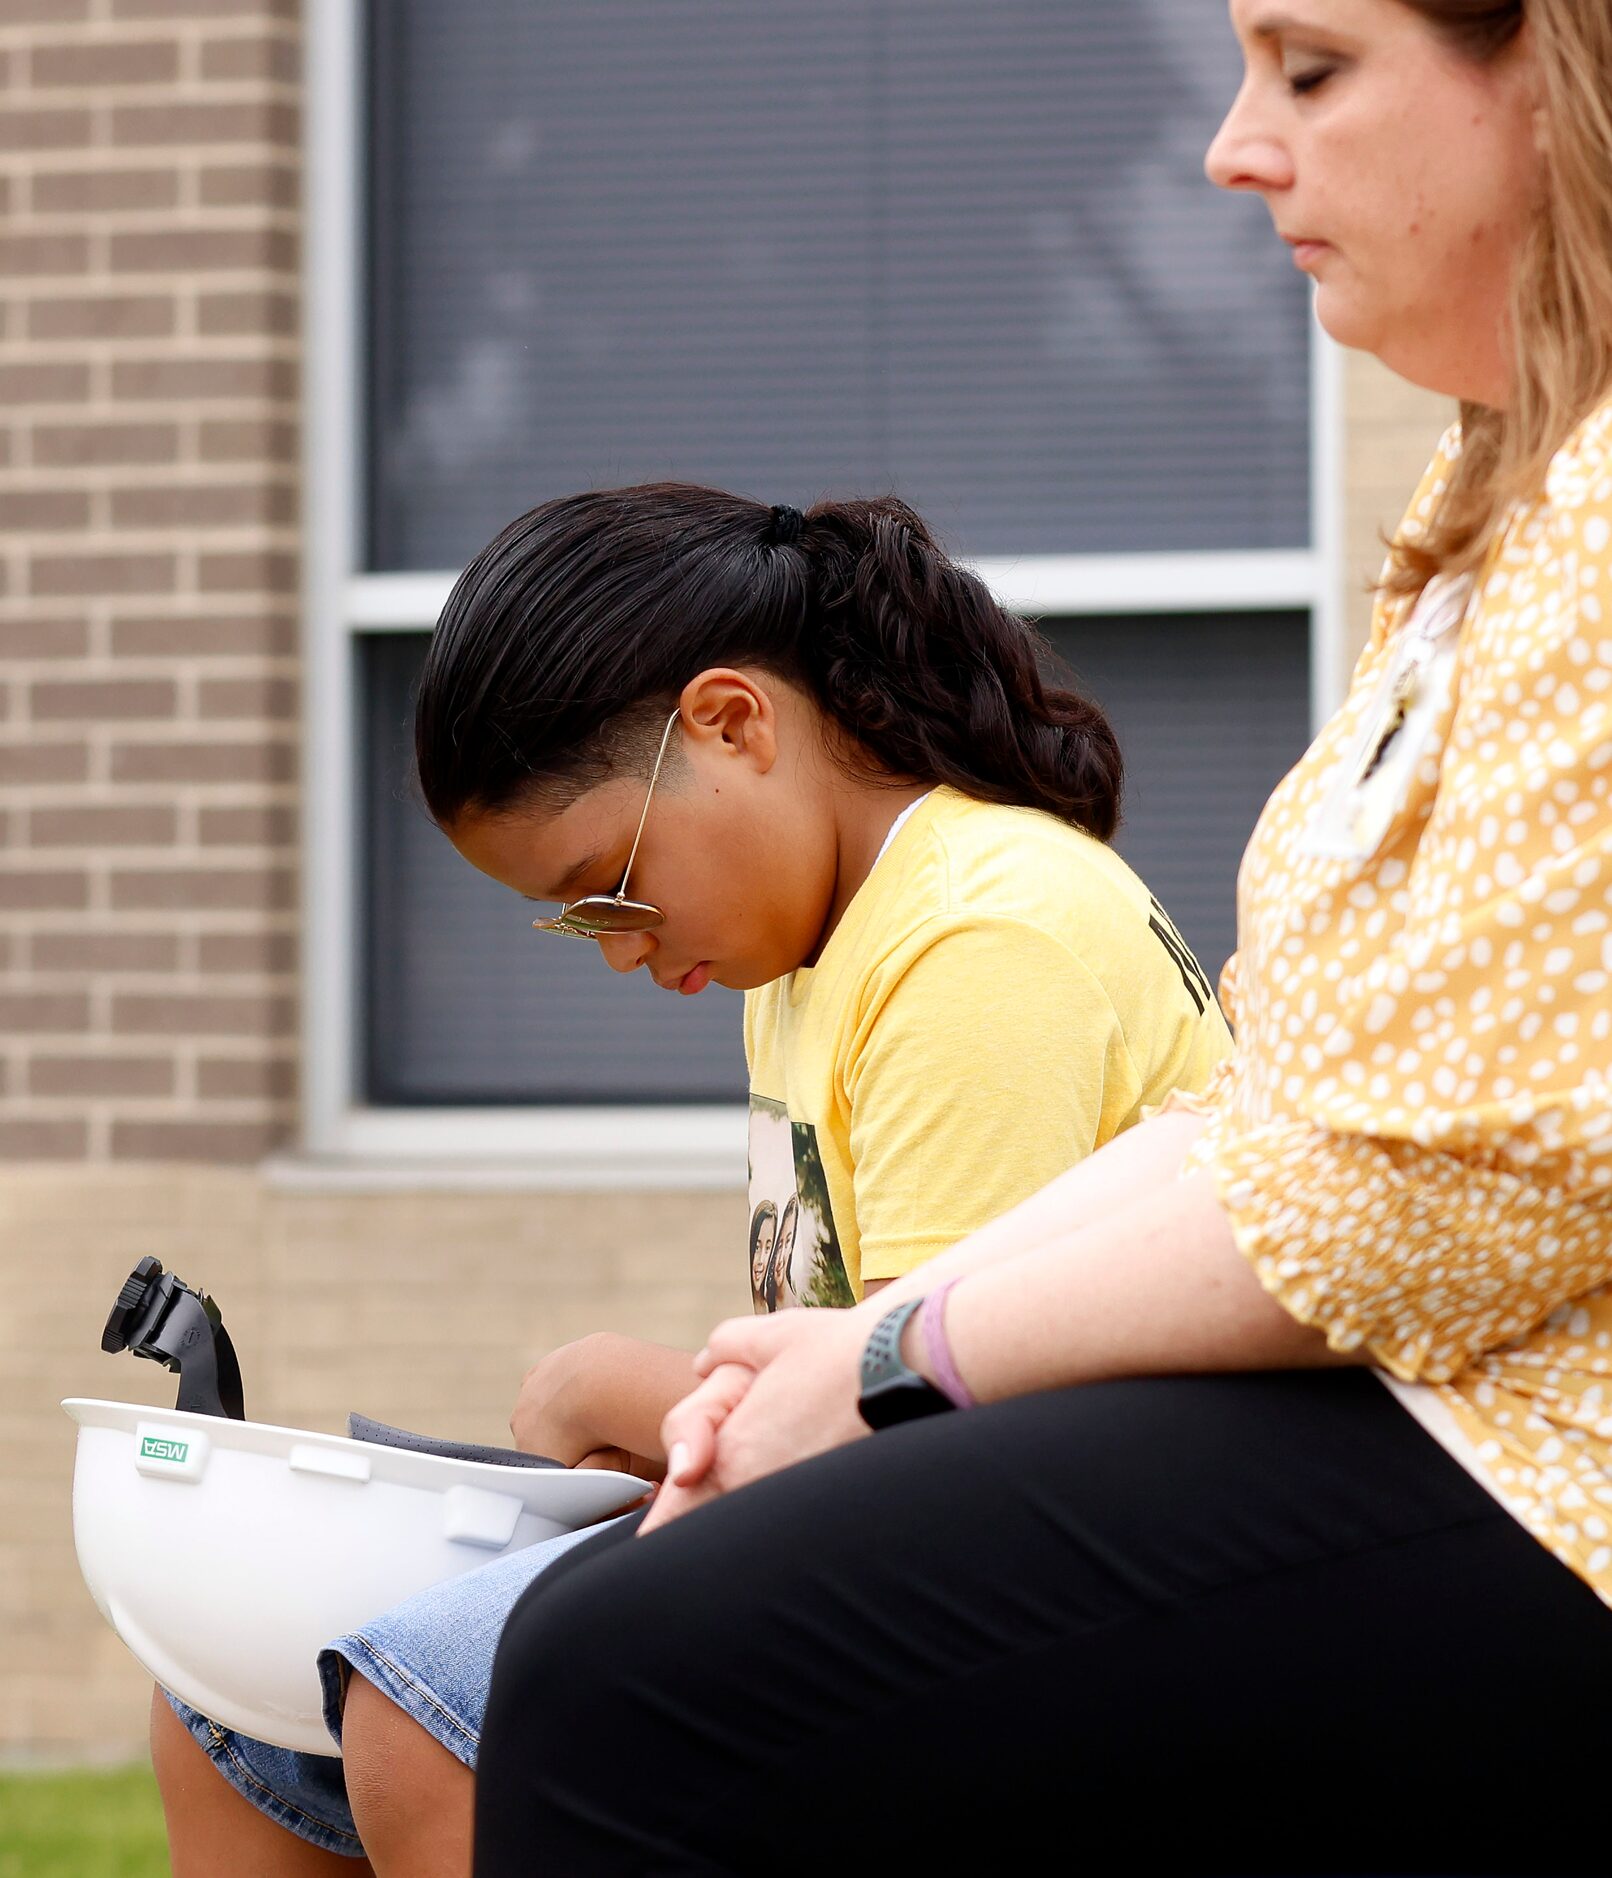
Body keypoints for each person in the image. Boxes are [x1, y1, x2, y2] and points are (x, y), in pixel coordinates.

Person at [474, 3, 1612, 1872]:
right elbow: (1285, 1115)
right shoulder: (1490, 502)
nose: (1237, 147)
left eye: (1311, 70)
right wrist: (857, 1346)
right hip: (1436, 1405)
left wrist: (891, 1360)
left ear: (1558, 79)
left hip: (1549, 1459)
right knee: (565, 1655)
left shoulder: (978, 930)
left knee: (624, 1676)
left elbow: (1411, 1204)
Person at [149, 484, 1231, 1875]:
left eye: (612, 886)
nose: (615, 948)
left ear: (733, 722)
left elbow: (931, 1448)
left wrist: (621, 1388)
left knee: (429, 1709)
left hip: (1078, 1596)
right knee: (222, 1698)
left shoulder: (978, 943)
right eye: (575, 917)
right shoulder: (814, 949)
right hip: (921, 1547)